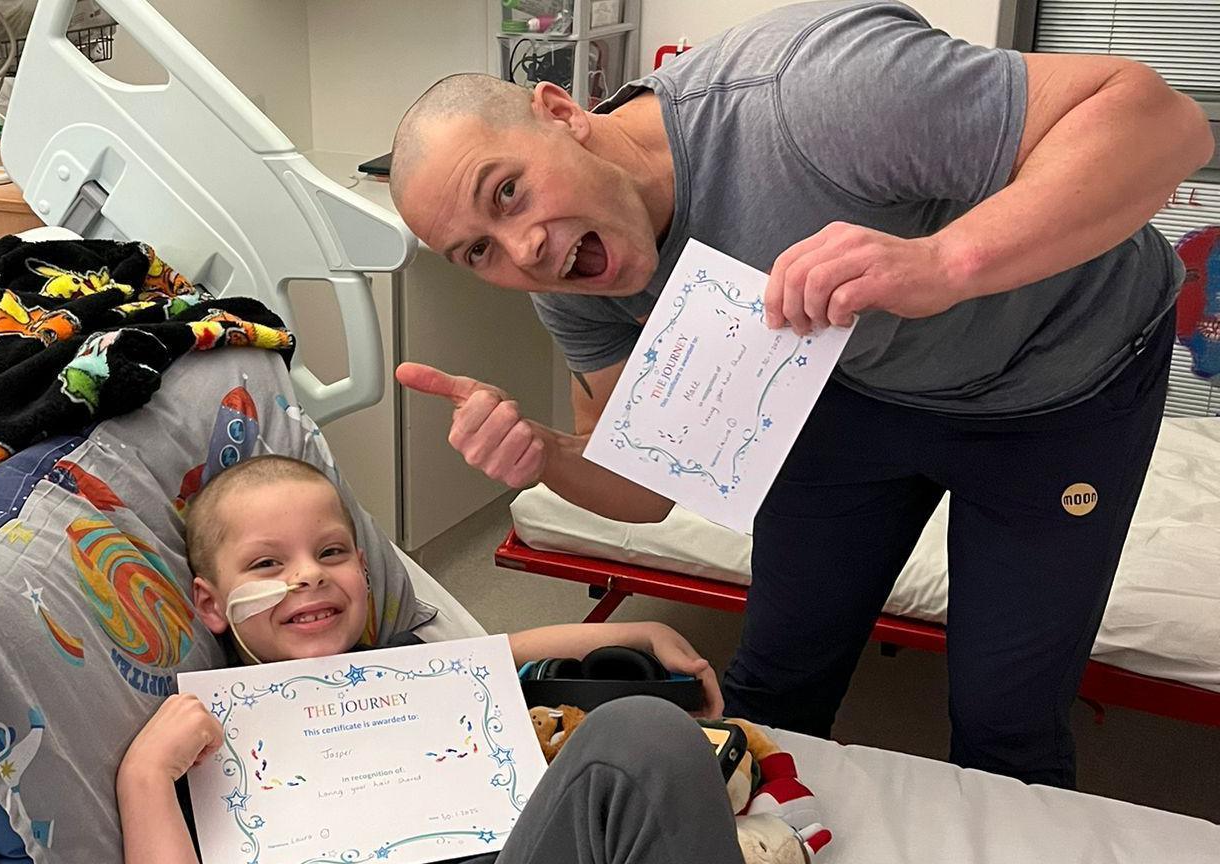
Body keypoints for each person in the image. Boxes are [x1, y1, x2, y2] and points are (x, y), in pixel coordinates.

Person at [385, 0, 1214, 789]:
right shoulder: (569, 281)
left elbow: (1164, 124)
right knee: (775, 680)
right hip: (853, 391)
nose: (521, 249)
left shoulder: (810, 97)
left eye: (507, 191)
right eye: (477, 252)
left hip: (1063, 379)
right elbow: (648, 492)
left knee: (1007, 716)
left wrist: (945, 262)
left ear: (562, 111)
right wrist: (547, 453)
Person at [115, 455, 751, 864]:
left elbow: (503, 655)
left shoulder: (404, 669)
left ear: (364, 573)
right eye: (266, 564)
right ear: (212, 603)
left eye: (332, 552)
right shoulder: (203, 741)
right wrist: (143, 776)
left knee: (648, 732)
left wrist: (642, 632)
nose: (307, 576)